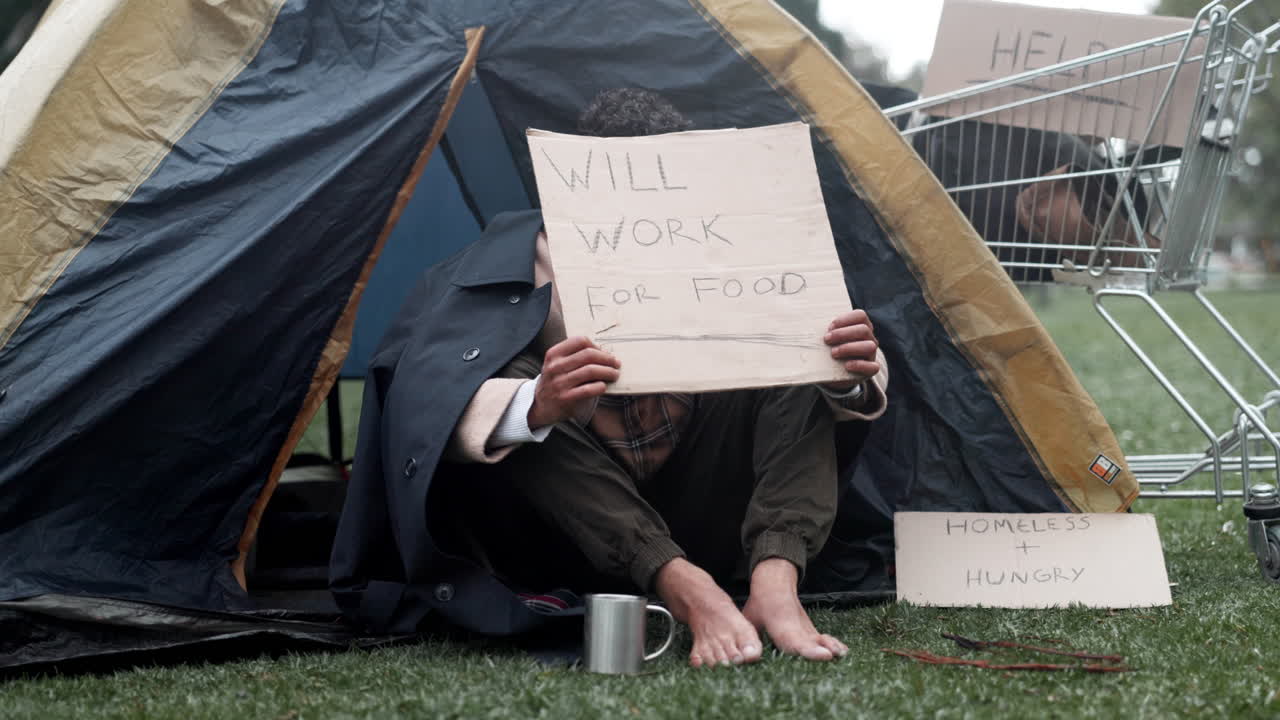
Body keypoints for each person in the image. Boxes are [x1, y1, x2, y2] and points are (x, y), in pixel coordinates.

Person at [440, 89, 889, 667]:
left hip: (714, 501)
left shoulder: (746, 248)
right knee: (518, 387)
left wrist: (842, 370)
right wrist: (538, 404)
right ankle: (688, 590)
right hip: (585, 525)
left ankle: (775, 583)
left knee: (796, 344)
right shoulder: (515, 262)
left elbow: (853, 372)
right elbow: (437, 403)